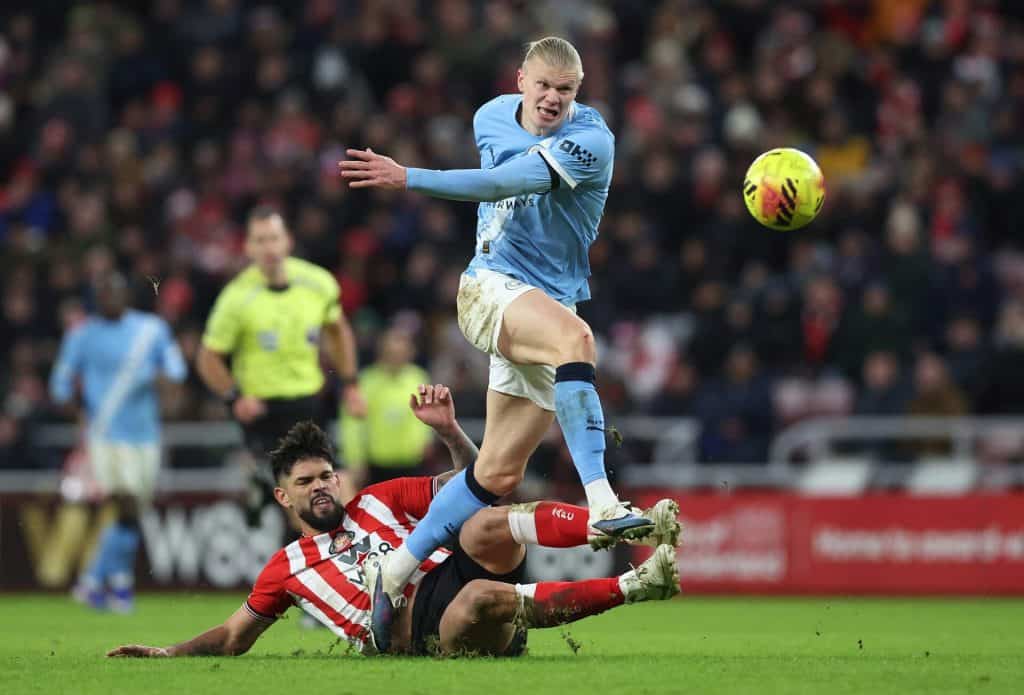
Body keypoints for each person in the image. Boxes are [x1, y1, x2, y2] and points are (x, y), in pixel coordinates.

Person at [339, 36, 652, 649]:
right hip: (488, 287)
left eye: (566, 90)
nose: (553, 99)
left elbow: (507, 180)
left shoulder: (592, 142)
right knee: (577, 340)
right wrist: (412, 179)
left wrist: (411, 178)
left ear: (578, 93)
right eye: (543, 86)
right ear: (521, 82)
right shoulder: (489, 115)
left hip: (542, 302)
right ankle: (605, 501)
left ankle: (395, 569)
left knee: (497, 472)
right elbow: (493, 182)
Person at [106, 385, 681, 658]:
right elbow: (234, 637)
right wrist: (170, 653)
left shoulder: (379, 499)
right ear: (283, 498)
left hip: (448, 572)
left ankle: (617, 523)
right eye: (306, 483)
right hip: (417, 633)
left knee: (484, 522)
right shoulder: (286, 569)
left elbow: (475, 483)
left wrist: (449, 432)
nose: (322, 487)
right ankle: (637, 586)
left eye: (326, 475)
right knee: (482, 595)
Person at [196, 205, 366, 519]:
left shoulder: (318, 283)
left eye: (273, 238)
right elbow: (208, 358)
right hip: (264, 412)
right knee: (301, 500)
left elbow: (338, 331)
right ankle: (263, 491)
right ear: (248, 247)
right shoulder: (236, 298)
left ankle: (262, 492)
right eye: (260, 241)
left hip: (310, 403)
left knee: (340, 491)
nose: (268, 248)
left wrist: (351, 384)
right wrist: (235, 397)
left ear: (287, 241)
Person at [49, 271, 187, 611]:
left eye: (116, 291)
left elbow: (176, 369)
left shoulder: (150, 329)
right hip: (106, 435)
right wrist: (77, 412)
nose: (109, 297)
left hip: (146, 434)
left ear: (127, 295)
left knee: (134, 509)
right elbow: (60, 384)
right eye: (103, 292)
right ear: (96, 298)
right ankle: (101, 581)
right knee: (124, 501)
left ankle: (109, 582)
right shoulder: (82, 335)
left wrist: (165, 386)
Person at [339, 326, 431, 497]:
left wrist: (426, 440)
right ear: (382, 352)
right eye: (392, 352)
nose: (397, 357)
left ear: (410, 352)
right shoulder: (366, 381)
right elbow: (352, 424)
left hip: (412, 462)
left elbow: (427, 413)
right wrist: (355, 459)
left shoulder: (418, 378)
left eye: (401, 352)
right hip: (376, 465)